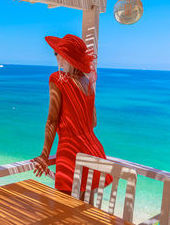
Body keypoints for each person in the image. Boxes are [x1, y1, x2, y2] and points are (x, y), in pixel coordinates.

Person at [32, 34, 112, 198]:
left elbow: (52, 120)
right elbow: (93, 122)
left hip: (71, 155)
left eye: (57, 53)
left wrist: (44, 156)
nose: (56, 57)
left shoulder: (57, 79)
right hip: (93, 151)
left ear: (65, 57)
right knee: (85, 212)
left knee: (65, 211)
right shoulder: (87, 83)